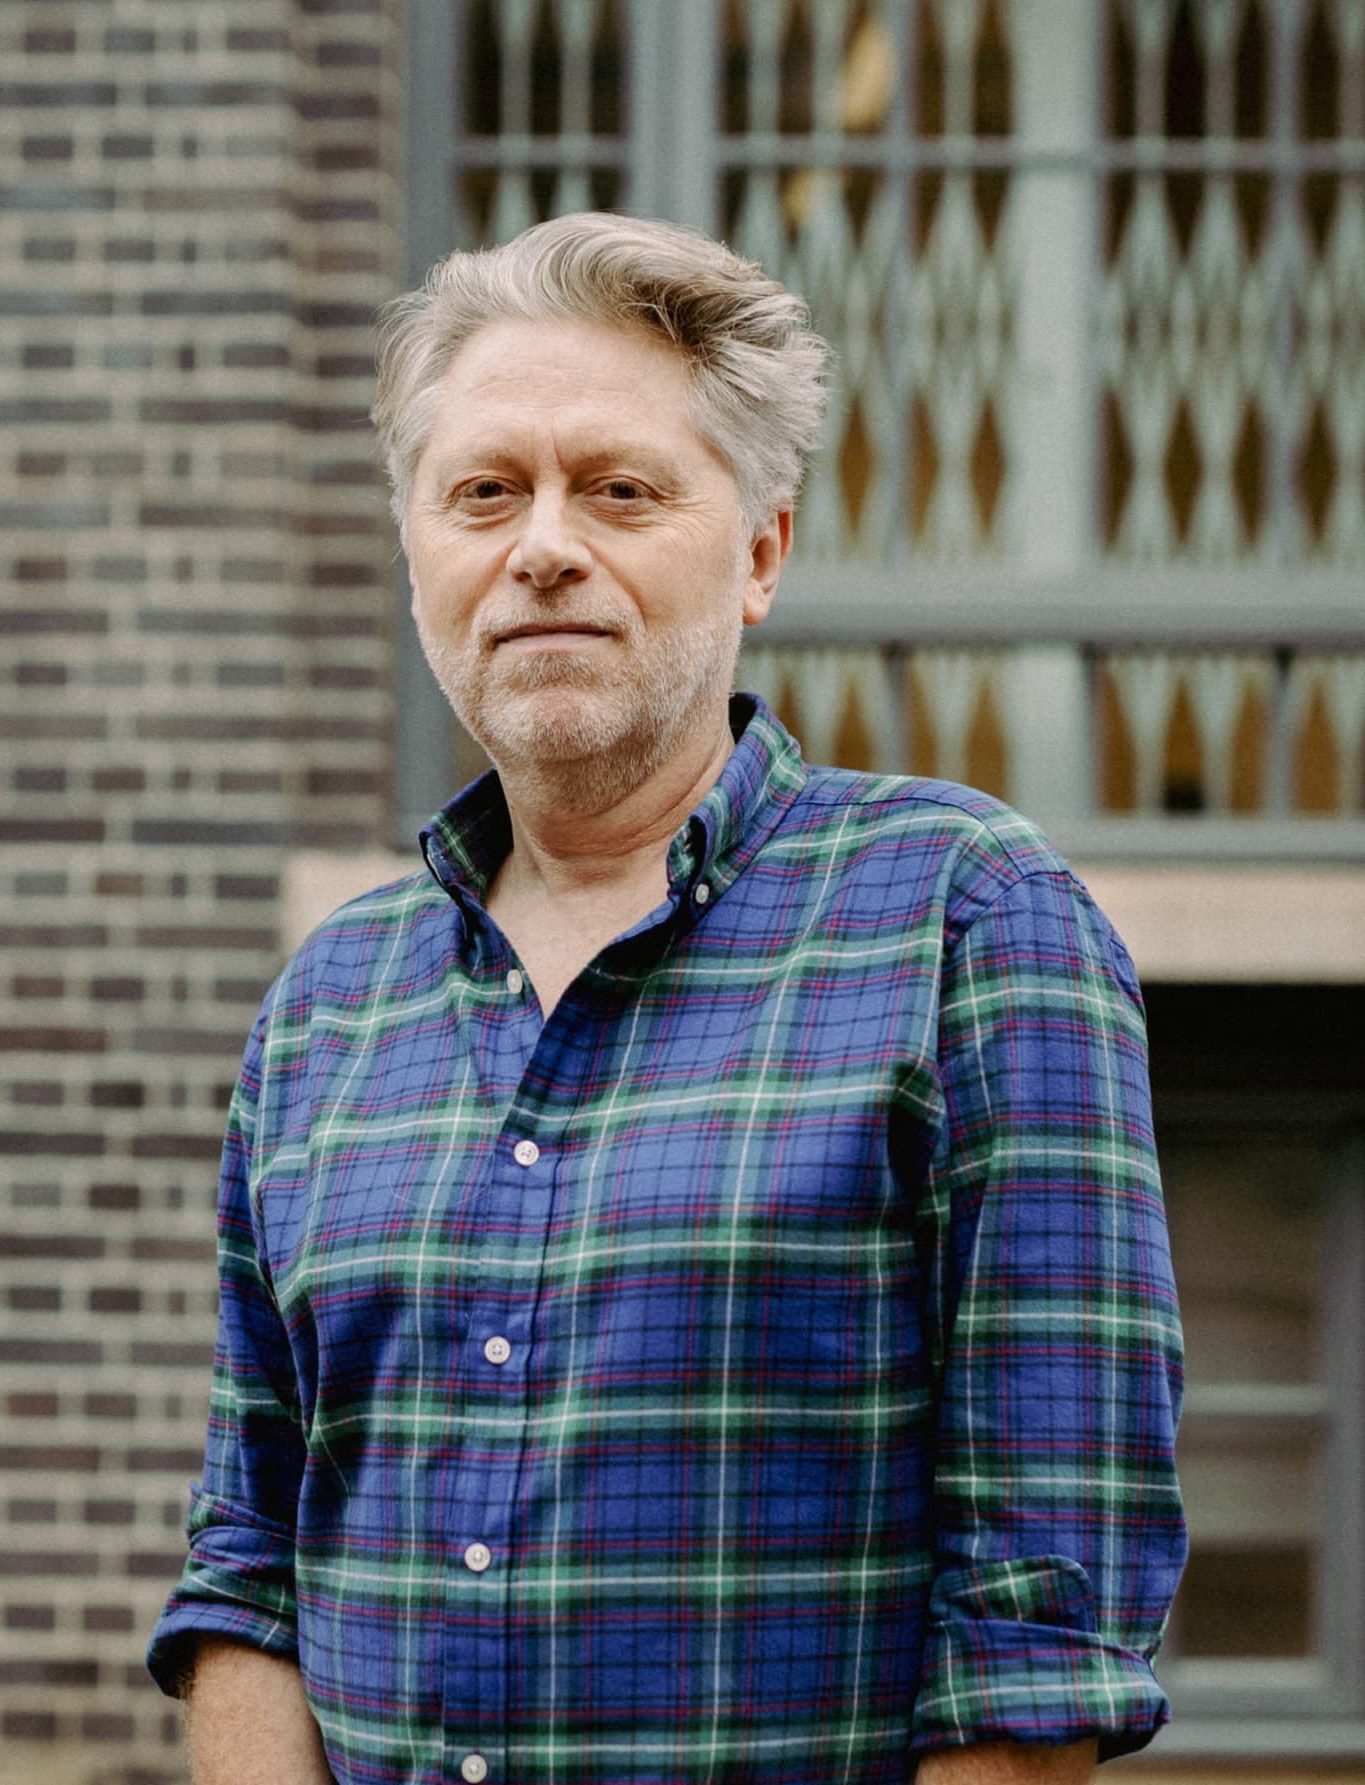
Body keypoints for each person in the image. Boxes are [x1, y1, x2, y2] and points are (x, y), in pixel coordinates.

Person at [148, 213, 1186, 1785]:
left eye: (620, 489)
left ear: (762, 550)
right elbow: (248, 1556)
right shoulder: (326, 1008)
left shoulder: (966, 921)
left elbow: (1037, 1633)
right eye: (483, 491)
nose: (543, 544)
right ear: (419, 549)